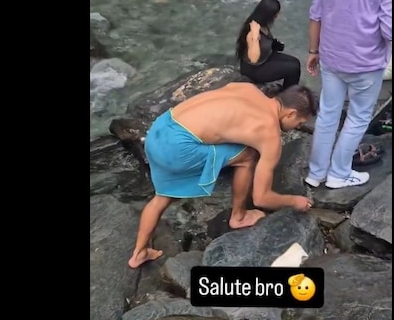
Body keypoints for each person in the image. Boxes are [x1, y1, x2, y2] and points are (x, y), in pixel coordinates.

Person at [128, 83, 318, 268]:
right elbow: (261, 198)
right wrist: (294, 201)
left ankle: (140, 252)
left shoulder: (247, 88)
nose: (296, 127)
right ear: (291, 113)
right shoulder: (269, 133)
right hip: (176, 149)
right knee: (248, 156)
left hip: (158, 131)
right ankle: (239, 216)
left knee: (162, 196)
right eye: (299, 123)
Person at [304, 0, 392, 189]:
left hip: (330, 54)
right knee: (357, 116)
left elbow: (316, 10)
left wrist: (313, 50)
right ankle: (339, 174)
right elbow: (387, 25)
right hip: (366, 60)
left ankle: (315, 173)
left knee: (328, 113)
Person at [236, 0, 302, 90]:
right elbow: (253, 59)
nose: (278, 15)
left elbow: (266, 43)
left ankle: (288, 90)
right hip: (254, 69)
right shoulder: (252, 32)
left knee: (296, 62)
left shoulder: (262, 24)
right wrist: (255, 37)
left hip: (265, 58)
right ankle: (287, 96)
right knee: (293, 69)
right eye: (276, 13)